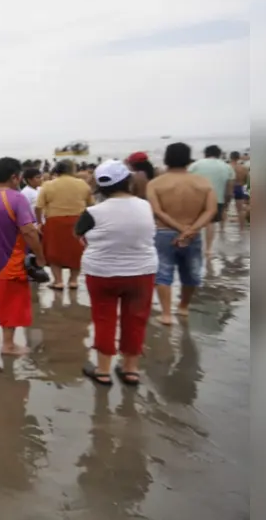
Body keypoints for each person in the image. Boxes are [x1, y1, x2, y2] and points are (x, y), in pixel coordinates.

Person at [74, 161, 157, 386]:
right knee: (136, 319)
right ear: (128, 181)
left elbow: (79, 234)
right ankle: (131, 369)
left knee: (104, 319)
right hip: (142, 272)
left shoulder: (92, 212)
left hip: (102, 273)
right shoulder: (144, 206)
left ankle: (102, 370)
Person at [0, 157, 45, 356]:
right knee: (11, 302)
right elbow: (29, 231)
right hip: (9, 260)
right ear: (14, 177)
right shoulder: (16, 197)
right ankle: (9, 345)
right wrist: (40, 256)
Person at [148, 142, 218, 324]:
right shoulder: (203, 183)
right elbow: (210, 211)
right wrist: (190, 230)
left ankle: (166, 314)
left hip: (163, 232)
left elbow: (157, 211)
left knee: (163, 272)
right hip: (192, 235)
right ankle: (183, 307)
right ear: (188, 159)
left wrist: (180, 229)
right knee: (191, 272)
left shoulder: (155, 183)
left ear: (167, 158)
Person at [36, 160, 94, 290]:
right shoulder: (82, 184)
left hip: (54, 220)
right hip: (78, 220)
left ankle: (58, 281)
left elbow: (38, 206)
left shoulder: (48, 185)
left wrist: (39, 222)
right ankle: (73, 281)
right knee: (76, 251)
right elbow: (91, 205)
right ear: (72, 170)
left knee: (54, 252)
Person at [188, 145, 235, 256]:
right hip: (217, 198)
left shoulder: (195, 165)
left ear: (205, 153)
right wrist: (226, 203)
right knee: (210, 223)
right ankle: (208, 249)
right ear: (219, 154)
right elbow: (229, 188)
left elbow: (187, 181)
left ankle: (194, 246)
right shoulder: (227, 167)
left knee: (195, 223)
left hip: (196, 198)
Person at [228, 151, 249, 230]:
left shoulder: (227, 167)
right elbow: (247, 180)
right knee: (240, 210)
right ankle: (242, 229)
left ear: (230, 157)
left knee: (224, 209)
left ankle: (221, 229)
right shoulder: (243, 168)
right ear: (239, 158)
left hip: (229, 187)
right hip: (240, 188)